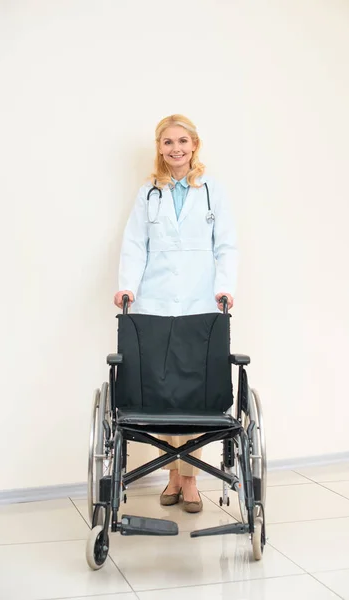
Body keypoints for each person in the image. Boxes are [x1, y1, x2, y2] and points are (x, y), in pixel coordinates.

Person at [114, 114, 238, 513]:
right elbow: (135, 244)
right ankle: (172, 475)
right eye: (167, 142)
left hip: (201, 302)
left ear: (194, 144)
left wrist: (225, 287)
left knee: (196, 393)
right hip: (156, 301)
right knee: (164, 392)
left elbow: (227, 246)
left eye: (182, 141)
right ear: (160, 148)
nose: (176, 149)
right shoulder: (148, 192)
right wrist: (128, 286)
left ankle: (189, 481)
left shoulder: (212, 191)